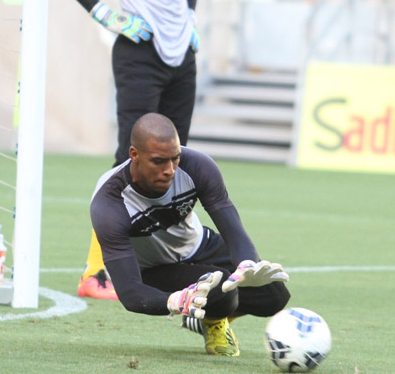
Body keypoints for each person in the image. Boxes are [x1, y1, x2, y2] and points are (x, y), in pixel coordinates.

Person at [55, 0, 203, 300]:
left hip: (182, 60)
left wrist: (190, 22)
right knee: (129, 160)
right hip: (139, 55)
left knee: (173, 162)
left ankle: (162, 259)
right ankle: (97, 272)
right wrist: (109, 17)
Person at [89, 113, 291, 356]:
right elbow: (130, 292)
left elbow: (230, 225)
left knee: (274, 294)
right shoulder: (109, 201)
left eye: (175, 159)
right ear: (134, 155)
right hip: (151, 270)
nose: (169, 170)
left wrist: (247, 263)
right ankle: (214, 319)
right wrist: (172, 301)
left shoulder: (197, 165)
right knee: (218, 287)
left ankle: (202, 316)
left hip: (197, 244)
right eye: (158, 161)